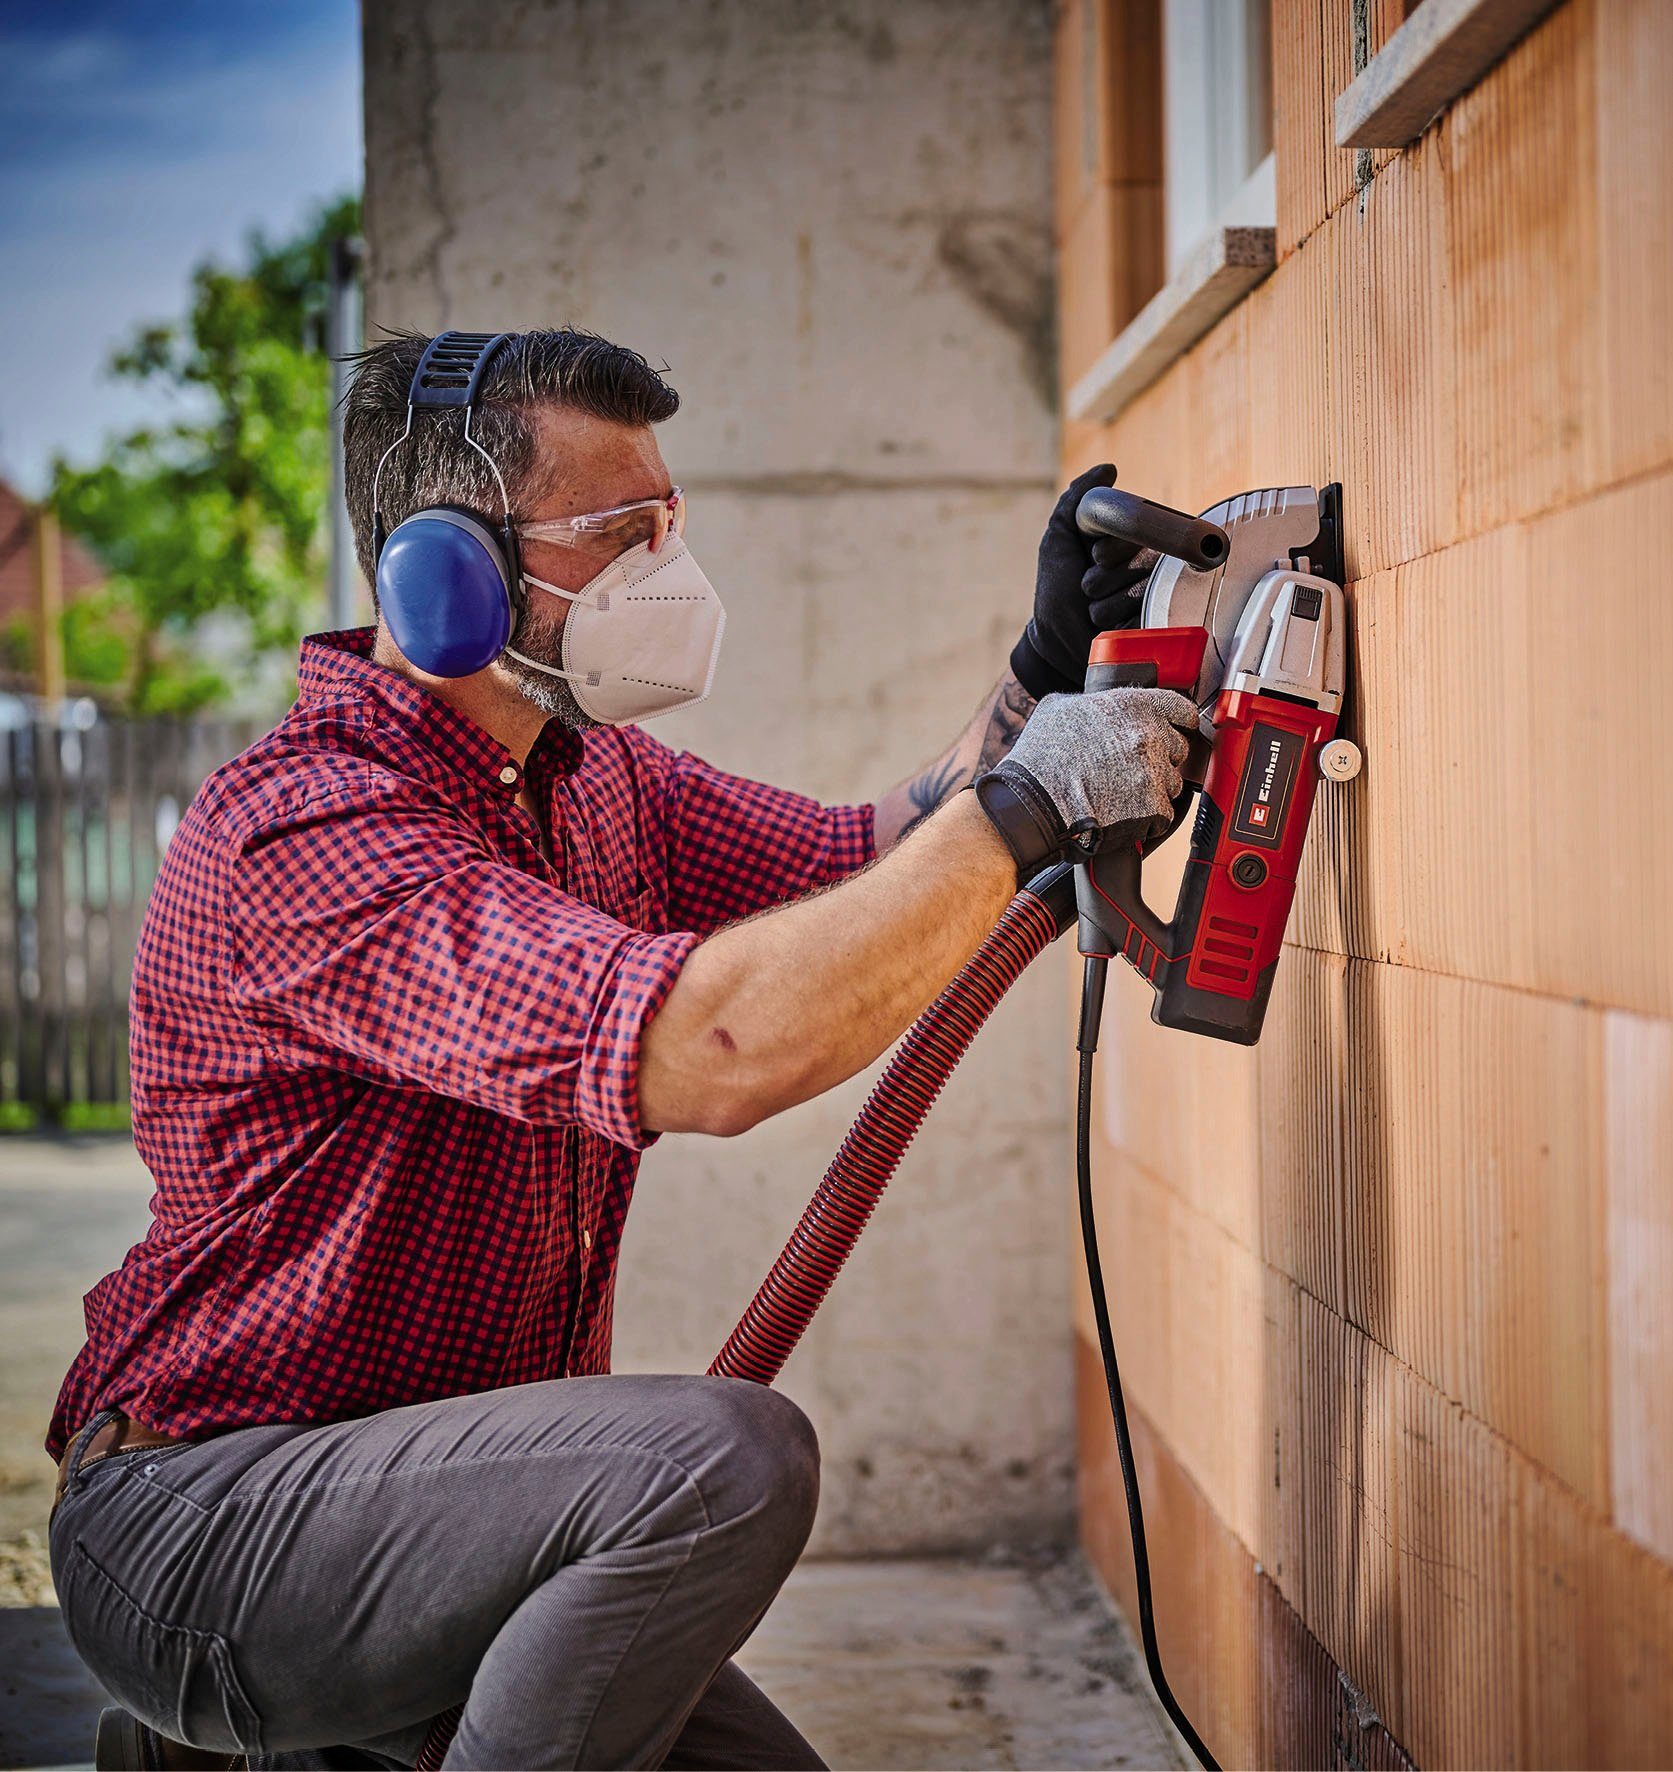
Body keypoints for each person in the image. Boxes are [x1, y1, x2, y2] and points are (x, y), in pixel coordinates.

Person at [45, 329, 1197, 1771]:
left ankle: (252, 1758)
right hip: (206, 1533)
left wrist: (1033, 684)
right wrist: (1026, 810)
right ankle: (247, 1726)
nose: (671, 574)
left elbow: (871, 868)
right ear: (439, 572)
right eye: (622, 533)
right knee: (719, 1459)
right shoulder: (306, 833)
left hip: (435, 1525)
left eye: (673, 524)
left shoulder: (595, 783)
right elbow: (710, 1045)